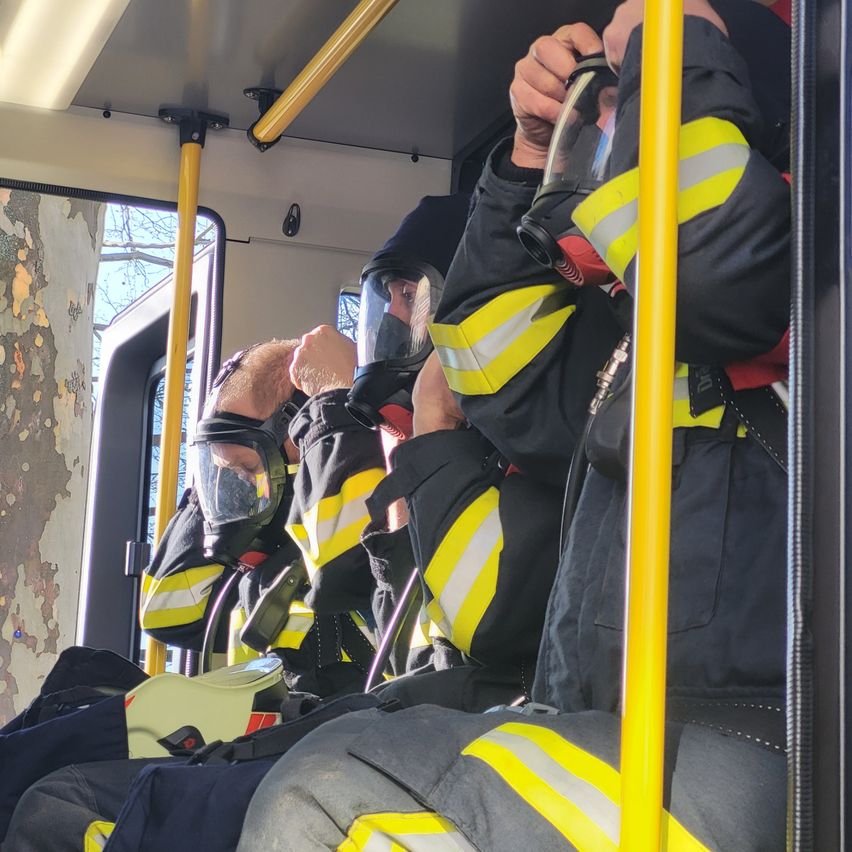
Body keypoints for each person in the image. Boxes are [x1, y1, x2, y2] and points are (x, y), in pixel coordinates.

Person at [235, 1, 791, 848]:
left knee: (332, 799)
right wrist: (531, 153)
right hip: (611, 724)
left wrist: (672, 48)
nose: (611, 125)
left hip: (774, 746)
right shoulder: (647, 346)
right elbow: (494, 377)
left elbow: (717, 268)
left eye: (630, 102)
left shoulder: (795, 277)